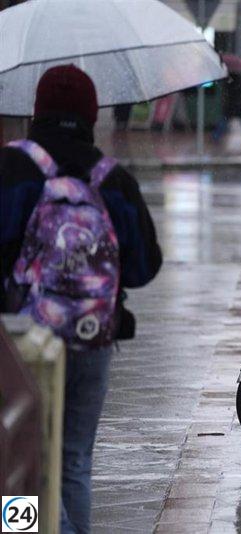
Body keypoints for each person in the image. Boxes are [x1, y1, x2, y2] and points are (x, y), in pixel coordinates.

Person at [0, 65, 162, 534]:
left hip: (21, 340)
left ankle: (24, 532)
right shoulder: (113, 179)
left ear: (38, 111)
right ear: (92, 115)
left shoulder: (10, 168)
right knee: (73, 461)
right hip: (92, 338)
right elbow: (144, 266)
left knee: (18, 460)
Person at [212, 72, 241, 149]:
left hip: (232, 106)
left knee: (223, 122)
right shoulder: (239, 79)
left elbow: (229, 93)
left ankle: (215, 137)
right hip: (238, 106)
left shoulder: (230, 81)